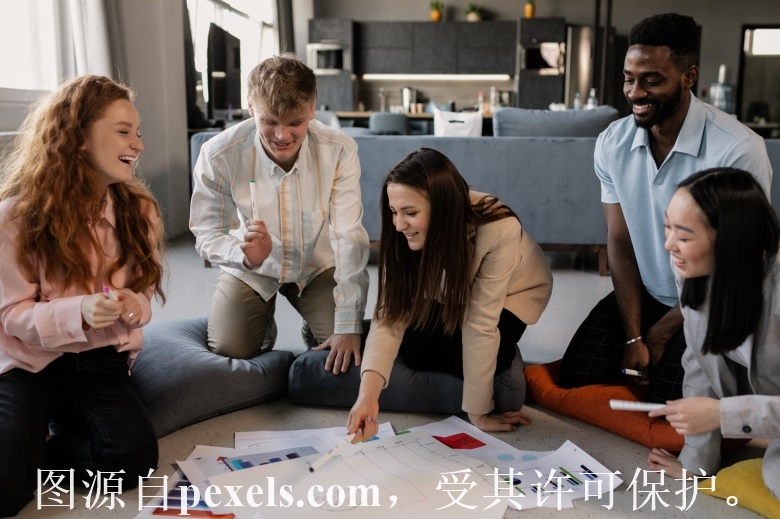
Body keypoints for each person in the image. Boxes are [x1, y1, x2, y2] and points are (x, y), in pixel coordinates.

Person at [560, 13, 772, 403]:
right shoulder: (612, 143)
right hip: (644, 293)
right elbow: (620, 241)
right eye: (629, 78)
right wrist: (633, 335)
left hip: (709, 301)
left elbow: (735, 261)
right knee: (577, 377)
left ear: (689, 76)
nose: (635, 93)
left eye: (652, 80)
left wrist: (658, 335)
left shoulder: (737, 149)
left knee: (668, 400)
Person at [0, 75, 166, 516]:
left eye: (137, 132)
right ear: (77, 137)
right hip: (28, 361)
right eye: (124, 131)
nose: (138, 144)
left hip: (100, 360)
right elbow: (11, 316)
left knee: (131, 459)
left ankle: (37, 451)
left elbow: (145, 288)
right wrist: (79, 310)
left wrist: (134, 305)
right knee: (5, 492)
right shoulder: (14, 219)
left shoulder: (139, 211)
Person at [347, 148, 553, 439]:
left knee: (466, 358)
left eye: (410, 213)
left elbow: (480, 322)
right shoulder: (404, 232)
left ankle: (505, 356)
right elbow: (391, 312)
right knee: (415, 351)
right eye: (394, 212)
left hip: (511, 295)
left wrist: (478, 414)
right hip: (453, 291)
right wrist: (367, 396)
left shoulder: (500, 228)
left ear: (441, 207)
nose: (398, 225)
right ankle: (358, 331)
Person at [190, 53, 369, 373]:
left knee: (344, 346)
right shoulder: (218, 154)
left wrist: (348, 322)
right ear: (251, 108)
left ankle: (313, 325)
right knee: (230, 348)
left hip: (315, 262)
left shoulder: (340, 149)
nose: (282, 136)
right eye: (269, 122)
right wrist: (242, 255)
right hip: (251, 265)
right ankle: (263, 325)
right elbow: (206, 234)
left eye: (295, 122)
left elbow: (349, 237)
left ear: (312, 109)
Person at [647, 168, 780, 499]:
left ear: (731, 239)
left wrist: (724, 415)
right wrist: (695, 464)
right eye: (667, 228)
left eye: (684, 236)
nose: (668, 245)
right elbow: (700, 359)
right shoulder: (693, 267)